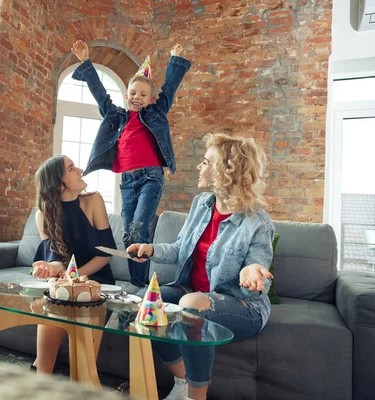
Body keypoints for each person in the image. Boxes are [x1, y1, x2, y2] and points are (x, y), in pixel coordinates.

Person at [128, 133, 275, 400]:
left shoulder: (257, 222)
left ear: (225, 172)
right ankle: (182, 380)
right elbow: (180, 247)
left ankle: (197, 397)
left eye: (206, 162)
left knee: (190, 305)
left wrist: (251, 273)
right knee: (146, 303)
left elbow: (257, 276)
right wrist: (151, 250)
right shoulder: (201, 204)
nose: (199, 166)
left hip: (242, 305)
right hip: (193, 293)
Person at [70, 40, 191, 289]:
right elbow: (100, 94)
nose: (137, 97)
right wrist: (85, 61)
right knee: (128, 233)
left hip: (150, 178)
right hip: (127, 181)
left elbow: (169, 88)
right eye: (133, 93)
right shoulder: (116, 117)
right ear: (126, 95)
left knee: (138, 228)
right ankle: (139, 284)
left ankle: (140, 283)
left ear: (151, 99)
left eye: (143, 95)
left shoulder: (156, 113)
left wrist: (175, 59)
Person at [31, 155, 117, 374]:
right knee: (50, 316)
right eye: (71, 168)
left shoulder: (93, 201)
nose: (80, 170)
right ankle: (41, 375)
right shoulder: (42, 215)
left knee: (84, 351)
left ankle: (83, 380)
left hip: (96, 281)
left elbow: (105, 254)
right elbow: (57, 262)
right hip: (63, 284)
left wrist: (75, 278)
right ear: (60, 184)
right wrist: (48, 269)